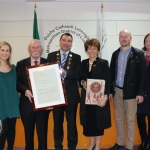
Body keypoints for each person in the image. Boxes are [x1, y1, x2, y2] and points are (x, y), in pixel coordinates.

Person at [108, 29, 147, 150]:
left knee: (130, 120)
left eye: (126, 36)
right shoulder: (115, 54)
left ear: (131, 38)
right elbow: (111, 74)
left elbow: (143, 75)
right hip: (117, 91)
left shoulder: (138, 53)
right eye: (121, 36)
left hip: (132, 92)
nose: (123, 38)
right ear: (119, 38)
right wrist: (110, 91)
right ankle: (119, 143)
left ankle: (129, 146)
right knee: (119, 118)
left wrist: (140, 93)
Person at [47, 33, 81, 150]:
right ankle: (58, 146)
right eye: (64, 40)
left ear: (71, 44)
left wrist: (64, 72)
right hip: (56, 96)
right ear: (60, 41)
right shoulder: (51, 56)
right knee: (57, 124)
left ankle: (72, 147)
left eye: (69, 41)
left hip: (71, 96)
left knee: (71, 124)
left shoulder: (77, 57)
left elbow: (77, 75)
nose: (66, 43)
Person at [16, 39, 50, 150]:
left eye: (37, 47)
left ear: (41, 49)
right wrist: (25, 90)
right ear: (29, 50)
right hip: (26, 105)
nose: (35, 50)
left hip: (43, 105)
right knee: (28, 135)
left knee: (43, 135)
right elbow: (17, 83)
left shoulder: (48, 63)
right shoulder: (21, 64)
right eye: (33, 47)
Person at [80, 38, 111, 150]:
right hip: (87, 98)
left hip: (99, 98)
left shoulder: (103, 63)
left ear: (98, 50)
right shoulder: (83, 63)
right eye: (89, 48)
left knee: (98, 121)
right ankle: (91, 143)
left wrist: (105, 97)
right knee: (89, 121)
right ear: (86, 50)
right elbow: (80, 78)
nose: (92, 51)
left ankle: (97, 145)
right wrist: (82, 82)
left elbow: (108, 81)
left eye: (94, 48)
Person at [0, 41, 20, 150]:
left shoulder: (14, 68)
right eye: (2, 50)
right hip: (1, 104)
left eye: (7, 50)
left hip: (12, 103)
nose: (5, 53)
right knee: (3, 131)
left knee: (12, 129)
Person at [137, 33, 150, 150]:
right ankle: (144, 140)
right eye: (146, 41)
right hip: (141, 93)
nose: (148, 43)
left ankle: (149, 141)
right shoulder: (140, 56)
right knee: (140, 118)